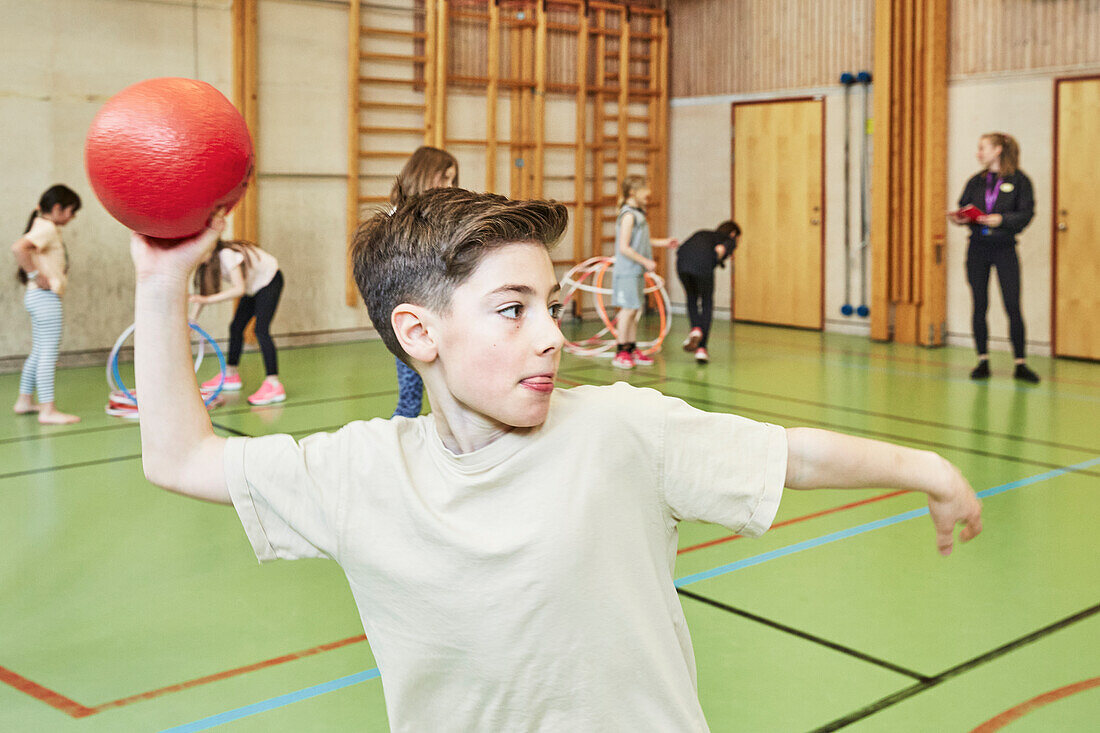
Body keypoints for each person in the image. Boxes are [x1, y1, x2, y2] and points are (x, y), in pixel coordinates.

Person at [130, 187, 982, 731]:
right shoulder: (360, 474)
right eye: (512, 309)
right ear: (418, 333)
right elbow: (178, 456)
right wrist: (164, 278)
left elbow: (790, 453)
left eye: (551, 304)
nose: (551, 334)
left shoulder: (620, 431)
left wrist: (928, 469)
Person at [948, 132, 1039, 383]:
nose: (978, 153)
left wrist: (1003, 220)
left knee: (1012, 305)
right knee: (979, 304)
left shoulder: (1020, 181)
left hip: (1004, 248)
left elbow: (1027, 213)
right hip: (978, 247)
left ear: (998, 150)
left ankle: (1020, 363)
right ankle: (982, 360)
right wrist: (960, 217)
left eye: (982, 148)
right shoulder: (976, 181)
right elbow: (964, 205)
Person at [388, 145, 458, 417]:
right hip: (412, 316)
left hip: (440, 310)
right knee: (410, 397)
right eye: (445, 177)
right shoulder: (399, 216)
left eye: (453, 179)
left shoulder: (441, 214)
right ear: (426, 175)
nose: (450, 185)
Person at [10, 184, 82, 424]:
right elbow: (19, 248)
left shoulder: (44, 227)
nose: (72, 217)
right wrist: (33, 274)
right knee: (48, 354)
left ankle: (24, 400)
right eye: (72, 211)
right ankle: (47, 410)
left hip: (38, 298)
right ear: (58, 208)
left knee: (40, 351)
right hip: (45, 298)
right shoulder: (47, 228)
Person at [190, 238, 285, 405]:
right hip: (253, 287)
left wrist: (209, 300)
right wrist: (192, 320)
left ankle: (274, 384)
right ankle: (231, 374)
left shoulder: (225, 255)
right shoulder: (207, 264)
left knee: (261, 330)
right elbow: (202, 295)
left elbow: (238, 289)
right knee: (235, 327)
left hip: (270, 281)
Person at [611, 175, 678, 369]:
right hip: (627, 271)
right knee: (628, 310)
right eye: (644, 191)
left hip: (636, 272)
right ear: (633, 193)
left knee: (634, 309)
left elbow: (639, 242)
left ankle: (631, 348)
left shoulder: (638, 214)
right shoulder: (629, 215)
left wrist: (663, 243)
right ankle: (621, 351)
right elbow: (624, 247)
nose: (648, 194)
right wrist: (645, 261)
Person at [675, 220, 740, 364]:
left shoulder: (703, 232)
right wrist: (722, 252)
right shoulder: (729, 239)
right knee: (706, 302)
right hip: (703, 265)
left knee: (691, 298)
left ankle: (696, 328)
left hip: (682, 264)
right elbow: (721, 249)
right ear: (733, 233)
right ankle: (702, 349)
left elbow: (681, 248)